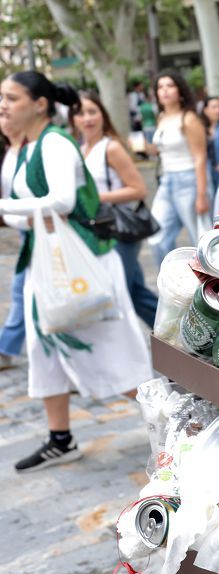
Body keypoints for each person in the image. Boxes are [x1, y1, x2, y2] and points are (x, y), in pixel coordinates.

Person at [0, 71, 152, 471]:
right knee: (43, 349)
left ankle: (176, 422)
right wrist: (15, 210)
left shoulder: (54, 144)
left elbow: (63, 201)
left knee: (113, 350)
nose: (3, 105)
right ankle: (60, 438)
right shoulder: (28, 148)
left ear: (39, 104)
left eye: (11, 98)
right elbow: (20, 216)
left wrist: (9, 208)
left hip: (82, 263)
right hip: (48, 263)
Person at [72, 91, 159, 328]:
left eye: (92, 111)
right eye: (81, 113)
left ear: (103, 115)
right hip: (97, 230)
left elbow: (139, 189)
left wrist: (96, 198)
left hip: (118, 229)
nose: (87, 118)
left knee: (119, 292)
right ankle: (175, 334)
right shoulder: (81, 150)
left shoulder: (110, 148)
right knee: (135, 291)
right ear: (73, 119)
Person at [147, 71, 208, 267]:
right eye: (160, 87)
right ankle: (170, 277)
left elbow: (200, 157)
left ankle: (207, 281)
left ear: (179, 91)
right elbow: (163, 150)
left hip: (188, 180)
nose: (164, 90)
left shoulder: (188, 118)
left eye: (170, 86)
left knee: (199, 238)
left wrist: (201, 195)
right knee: (156, 236)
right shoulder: (162, 117)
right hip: (166, 180)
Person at [0, 127, 24, 371]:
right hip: (24, 227)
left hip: (39, 230)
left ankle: (5, 348)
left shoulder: (35, 147)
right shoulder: (10, 149)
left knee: (21, 290)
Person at [201, 95, 219, 195]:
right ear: (205, 110)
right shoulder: (201, 128)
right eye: (214, 107)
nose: (218, 110)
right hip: (206, 171)